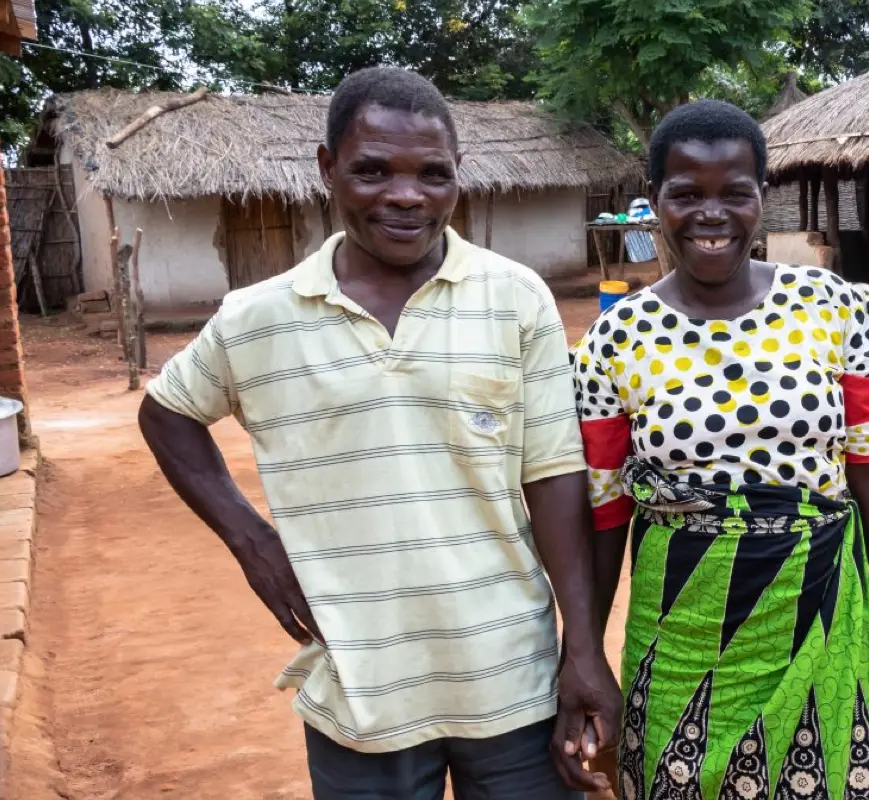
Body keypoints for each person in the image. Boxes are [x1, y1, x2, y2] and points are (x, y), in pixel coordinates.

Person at [139, 66, 620, 800]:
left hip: (512, 678)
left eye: (434, 174)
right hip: (359, 690)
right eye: (371, 171)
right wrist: (251, 540)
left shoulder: (514, 296)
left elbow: (553, 474)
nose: (406, 196)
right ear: (328, 170)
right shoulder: (256, 317)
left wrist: (581, 650)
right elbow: (166, 412)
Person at [573, 100, 869, 800]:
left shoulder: (839, 308)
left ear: (762, 199)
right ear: (655, 203)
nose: (711, 213)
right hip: (681, 640)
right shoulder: (612, 344)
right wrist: (586, 658)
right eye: (685, 194)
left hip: (826, 623)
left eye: (735, 193)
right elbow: (606, 514)